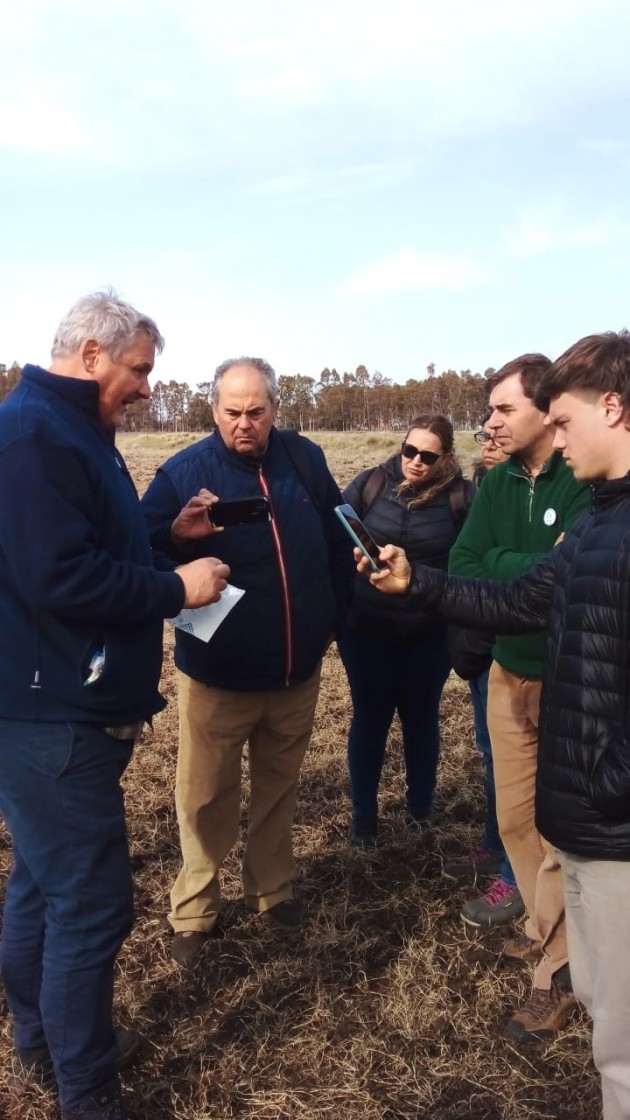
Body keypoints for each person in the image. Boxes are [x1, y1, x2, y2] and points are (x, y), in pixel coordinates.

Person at [356, 329, 630, 1120]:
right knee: (612, 1023)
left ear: (612, 406)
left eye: (566, 416)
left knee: (621, 1034)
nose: (558, 430)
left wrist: (610, 782)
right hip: (589, 814)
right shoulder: (601, 523)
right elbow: (515, 597)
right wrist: (419, 584)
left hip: (613, 821)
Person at [0, 292, 230, 1120]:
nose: (144, 388)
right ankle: (88, 1092)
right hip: (51, 715)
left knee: (42, 883)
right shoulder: (33, 436)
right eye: (137, 370)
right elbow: (58, 578)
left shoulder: (66, 430)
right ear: (91, 352)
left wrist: (169, 537)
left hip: (56, 709)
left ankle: (42, 1042)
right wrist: (176, 587)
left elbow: (90, 543)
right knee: (91, 904)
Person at [141, 357, 354, 967]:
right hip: (219, 677)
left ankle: (271, 888)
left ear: (275, 411)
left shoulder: (305, 460)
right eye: (232, 412)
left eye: (256, 412)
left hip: (297, 671)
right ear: (214, 411)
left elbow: (340, 537)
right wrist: (179, 540)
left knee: (278, 787)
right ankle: (196, 908)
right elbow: (140, 550)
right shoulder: (183, 472)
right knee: (205, 797)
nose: (244, 424)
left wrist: (333, 618)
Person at [337, 414, 474, 847]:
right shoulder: (372, 482)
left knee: (420, 720)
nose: (415, 461)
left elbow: (470, 560)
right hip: (365, 630)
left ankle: (420, 810)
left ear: (445, 456)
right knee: (369, 719)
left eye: (428, 455)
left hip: (428, 636)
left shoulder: (460, 496)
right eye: (409, 451)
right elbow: (335, 533)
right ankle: (364, 819)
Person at [443, 417, 519, 915]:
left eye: (498, 435)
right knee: (492, 754)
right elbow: (462, 562)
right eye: (483, 437)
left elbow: (545, 569)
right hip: (481, 647)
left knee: (520, 767)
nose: (488, 443)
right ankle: (495, 844)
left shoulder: (534, 491)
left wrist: (492, 561)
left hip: (517, 650)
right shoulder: (479, 489)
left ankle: (516, 872)